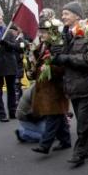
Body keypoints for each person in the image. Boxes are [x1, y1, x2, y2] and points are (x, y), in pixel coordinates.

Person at [51, 2, 88, 167]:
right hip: (72, 84)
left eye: (66, 13)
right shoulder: (64, 34)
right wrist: (56, 56)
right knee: (84, 118)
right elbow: (61, 56)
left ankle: (79, 152)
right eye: (63, 14)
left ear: (77, 16)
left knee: (83, 122)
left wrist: (66, 59)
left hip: (87, 84)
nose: (63, 17)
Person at [30, 14, 71, 154]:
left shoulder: (57, 46)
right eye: (40, 31)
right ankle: (65, 141)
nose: (41, 34)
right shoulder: (42, 45)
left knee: (53, 116)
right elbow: (38, 63)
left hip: (55, 87)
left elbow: (62, 68)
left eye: (44, 31)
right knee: (57, 115)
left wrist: (49, 68)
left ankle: (44, 145)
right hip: (46, 86)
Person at [0, 12, 21, 122]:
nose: (1, 20)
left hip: (9, 64)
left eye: (2, 18)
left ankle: (12, 111)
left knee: (11, 89)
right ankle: (2, 114)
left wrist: (6, 43)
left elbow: (16, 47)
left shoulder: (8, 32)